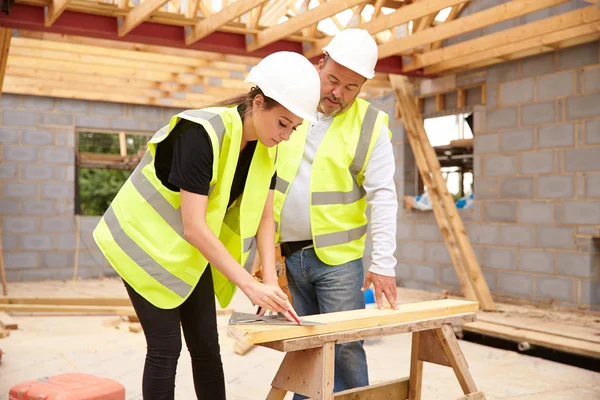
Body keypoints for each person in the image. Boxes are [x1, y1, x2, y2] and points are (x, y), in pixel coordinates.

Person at [92, 51, 321, 400]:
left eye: (295, 128)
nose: (287, 136)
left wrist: (270, 283)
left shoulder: (267, 147)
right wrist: (247, 285)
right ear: (258, 103)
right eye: (283, 123)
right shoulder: (201, 133)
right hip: (143, 246)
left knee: (206, 349)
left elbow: (263, 215)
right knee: (166, 349)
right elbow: (195, 227)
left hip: (188, 252)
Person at [270, 29, 399, 397]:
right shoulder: (288, 106)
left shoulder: (370, 125)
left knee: (345, 348)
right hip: (287, 256)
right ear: (320, 63)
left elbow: (384, 195)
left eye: (351, 87)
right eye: (332, 80)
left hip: (339, 262)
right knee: (304, 349)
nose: (337, 93)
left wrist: (384, 262)